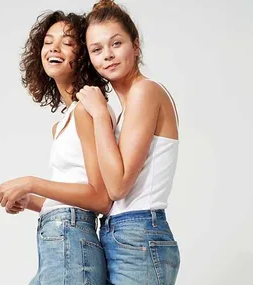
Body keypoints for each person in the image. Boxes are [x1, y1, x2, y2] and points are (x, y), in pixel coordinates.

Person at [0, 11, 115, 285]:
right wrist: (31, 201)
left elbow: (100, 197)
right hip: (58, 240)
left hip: (70, 240)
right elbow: (74, 192)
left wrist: (31, 183)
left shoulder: (86, 111)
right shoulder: (64, 122)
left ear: (83, 54)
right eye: (48, 42)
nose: (54, 48)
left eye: (67, 42)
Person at [75, 1, 181, 284]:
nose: (107, 55)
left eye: (116, 43)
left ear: (135, 45)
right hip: (120, 234)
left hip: (139, 234)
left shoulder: (145, 91)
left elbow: (118, 185)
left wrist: (98, 114)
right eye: (97, 50)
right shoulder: (126, 109)